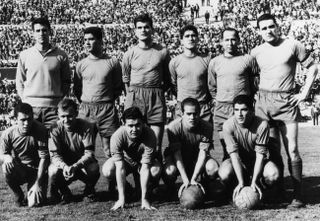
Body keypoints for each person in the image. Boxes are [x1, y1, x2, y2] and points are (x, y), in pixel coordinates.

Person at [251, 14, 318, 208]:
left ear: (278, 26)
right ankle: (277, 192)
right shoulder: (256, 52)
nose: (268, 31)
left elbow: (313, 68)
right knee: (272, 151)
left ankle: (298, 197)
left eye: (271, 26)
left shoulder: (292, 45)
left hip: (286, 102)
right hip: (264, 103)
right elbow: (251, 76)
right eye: (263, 28)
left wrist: (304, 92)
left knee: (293, 150)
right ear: (259, 31)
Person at [74, 27, 122, 192]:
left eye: (91, 39)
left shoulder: (113, 62)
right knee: (86, 150)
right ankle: (89, 185)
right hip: (86, 109)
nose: (87, 42)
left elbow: (117, 87)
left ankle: (113, 185)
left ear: (101, 41)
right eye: (85, 39)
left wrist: (105, 101)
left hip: (107, 109)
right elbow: (77, 89)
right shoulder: (81, 65)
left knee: (110, 149)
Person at [122, 14, 171, 163]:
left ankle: (155, 183)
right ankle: (137, 181)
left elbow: (168, 78)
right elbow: (126, 80)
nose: (143, 30)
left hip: (155, 95)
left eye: (146, 27)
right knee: (134, 143)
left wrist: (158, 92)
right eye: (139, 27)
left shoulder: (162, 51)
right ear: (135, 31)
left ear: (152, 29)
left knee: (155, 144)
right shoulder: (129, 53)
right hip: (135, 95)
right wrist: (132, 95)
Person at [208, 28, 258, 161]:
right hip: (222, 109)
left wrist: (248, 100)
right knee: (227, 150)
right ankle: (230, 179)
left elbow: (255, 83)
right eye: (226, 40)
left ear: (239, 41)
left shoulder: (248, 59)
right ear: (221, 42)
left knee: (247, 148)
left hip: (243, 109)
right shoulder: (214, 62)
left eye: (233, 39)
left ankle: (249, 178)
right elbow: (212, 86)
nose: (230, 43)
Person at [219, 95, 279, 201]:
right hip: (239, 162)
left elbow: (260, 156)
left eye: (244, 110)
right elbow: (234, 156)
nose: (239, 114)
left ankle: (259, 186)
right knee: (224, 173)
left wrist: (254, 180)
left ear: (252, 110)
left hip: (256, 161)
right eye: (236, 110)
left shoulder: (262, 125)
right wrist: (241, 181)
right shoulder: (228, 125)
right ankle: (235, 187)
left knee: (273, 174)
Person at [15, 17, 72, 129]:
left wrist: (57, 98)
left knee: (52, 143)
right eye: (38, 31)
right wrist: (25, 100)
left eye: (44, 30)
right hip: (31, 108)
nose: (41, 33)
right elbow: (19, 81)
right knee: (32, 143)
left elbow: (66, 81)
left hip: (53, 109)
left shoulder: (61, 55)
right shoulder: (25, 55)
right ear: (33, 33)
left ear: (50, 31)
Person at [102, 106, 161, 210]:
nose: (134, 129)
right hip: (126, 161)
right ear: (123, 124)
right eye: (130, 126)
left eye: (138, 125)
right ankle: (127, 189)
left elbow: (145, 167)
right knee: (107, 170)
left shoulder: (150, 134)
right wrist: (121, 199)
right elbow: (120, 168)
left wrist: (145, 200)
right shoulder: (117, 136)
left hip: (141, 162)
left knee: (155, 170)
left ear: (143, 123)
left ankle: (147, 190)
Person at [48, 98, 100, 204]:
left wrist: (76, 166)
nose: (66, 120)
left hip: (81, 164)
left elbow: (89, 153)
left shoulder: (86, 126)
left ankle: (89, 191)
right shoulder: (54, 128)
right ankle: (64, 192)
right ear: (58, 115)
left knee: (94, 167)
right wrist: (64, 166)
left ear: (76, 113)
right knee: (52, 170)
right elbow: (54, 155)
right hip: (65, 165)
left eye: (70, 116)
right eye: (63, 116)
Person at [163, 98, 218, 197]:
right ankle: (170, 189)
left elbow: (202, 154)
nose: (192, 117)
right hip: (179, 158)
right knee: (169, 171)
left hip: (196, 157)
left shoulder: (207, 127)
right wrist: (185, 180)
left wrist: (193, 178)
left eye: (195, 113)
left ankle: (205, 185)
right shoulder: (173, 127)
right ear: (182, 113)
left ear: (200, 112)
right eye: (188, 114)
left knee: (213, 168)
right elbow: (177, 155)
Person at [0, 102, 49, 207]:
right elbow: (2, 154)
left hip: (37, 171)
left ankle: (33, 189)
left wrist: (37, 183)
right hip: (21, 169)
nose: (26, 123)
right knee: (5, 167)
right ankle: (18, 195)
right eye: (23, 120)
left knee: (34, 204)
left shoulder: (40, 130)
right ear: (15, 119)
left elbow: (44, 159)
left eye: (29, 119)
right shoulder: (8, 133)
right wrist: (6, 157)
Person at [169, 25, 212, 123]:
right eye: (187, 36)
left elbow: (211, 84)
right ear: (181, 40)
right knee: (182, 137)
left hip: (202, 107)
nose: (190, 38)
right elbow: (174, 85)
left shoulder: (207, 60)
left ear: (197, 39)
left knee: (204, 138)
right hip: (182, 107)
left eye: (193, 35)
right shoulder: (174, 62)